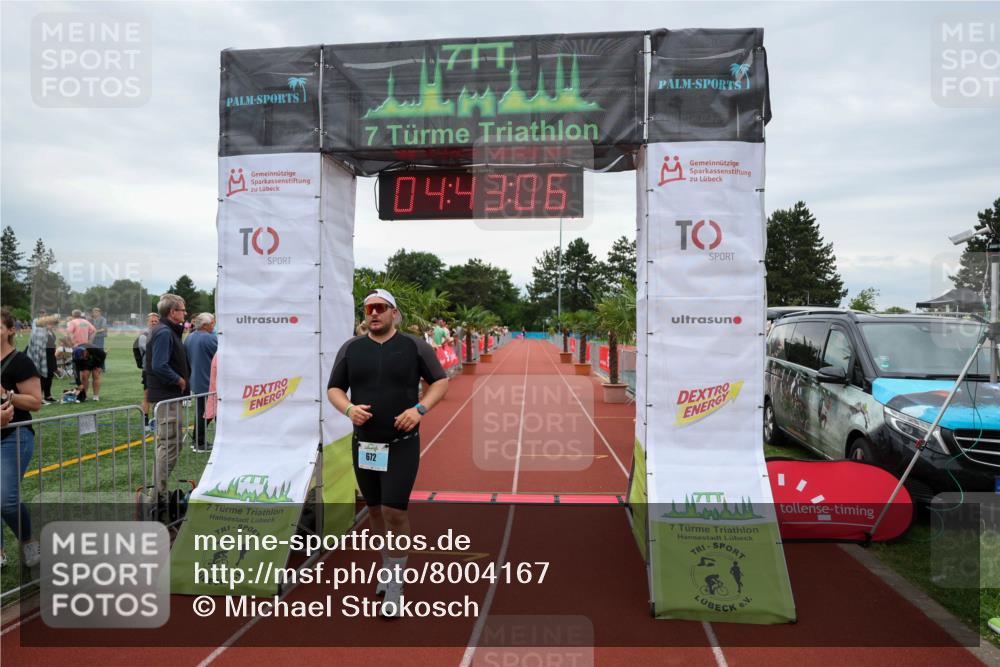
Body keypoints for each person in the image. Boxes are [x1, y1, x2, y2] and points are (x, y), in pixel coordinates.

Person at [327, 289, 449, 617]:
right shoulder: (351, 349)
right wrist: (349, 408)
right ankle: (387, 563)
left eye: (380, 308)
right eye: (369, 309)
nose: (374, 313)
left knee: (396, 512)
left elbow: (440, 381)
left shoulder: (414, 346)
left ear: (394, 313)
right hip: (365, 445)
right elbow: (334, 389)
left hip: (401, 445)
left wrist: (419, 409)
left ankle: (396, 581)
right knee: (376, 511)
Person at [1, 307, 43, 568]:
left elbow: (35, 403)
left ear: (10, 330)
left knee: (5, 498)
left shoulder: (20, 361)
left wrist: (7, 394)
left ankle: (29, 542)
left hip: (14, 435)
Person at [145, 294, 190, 497]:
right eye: (182, 310)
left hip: (169, 396)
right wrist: (179, 380)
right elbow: (159, 365)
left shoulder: (166, 330)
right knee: (169, 445)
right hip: (167, 396)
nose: (185, 313)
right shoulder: (164, 332)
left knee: (171, 445)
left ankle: (158, 493)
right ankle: (157, 496)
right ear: (172, 312)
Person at [183, 312, 217, 452]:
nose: (213, 325)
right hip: (209, 382)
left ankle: (197, 441)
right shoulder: (210, 339)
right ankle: (199, 443)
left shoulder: (189, 337)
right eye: (212, 323)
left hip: (197, 380)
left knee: (201, 412)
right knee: (207, 413)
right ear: (205, 325)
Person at [134, 312, 160, 430]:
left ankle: (158, 420)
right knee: (147, 396)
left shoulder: (160, 333)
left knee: (161, 397)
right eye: (151, 321)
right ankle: (145, 422)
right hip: (149, 370)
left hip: (160, 370)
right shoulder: (144, 336)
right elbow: (152, 351)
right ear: (147, 322)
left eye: (156, 321)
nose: (154, 323)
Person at [25, 315, 57, 404]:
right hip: (43, 356)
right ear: (46, 323)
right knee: (41, 377)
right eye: (52, 324)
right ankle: (40, 396)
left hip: (50, 356)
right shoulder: (39, 332)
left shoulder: (49, 331)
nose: (54, 325)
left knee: (49, 376)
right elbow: (37, 348)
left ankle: (48, 395)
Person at [87, 307, 108, 401]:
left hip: (99, 338)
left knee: (100, 353)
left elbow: (103, 329)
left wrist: (95, 331)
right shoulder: (91, 319)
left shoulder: (103, 319)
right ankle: (92, 365)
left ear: (99, 312)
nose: (94, 313)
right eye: (93, 311)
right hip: (92, 339)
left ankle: (102, 367)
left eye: (96, 311)